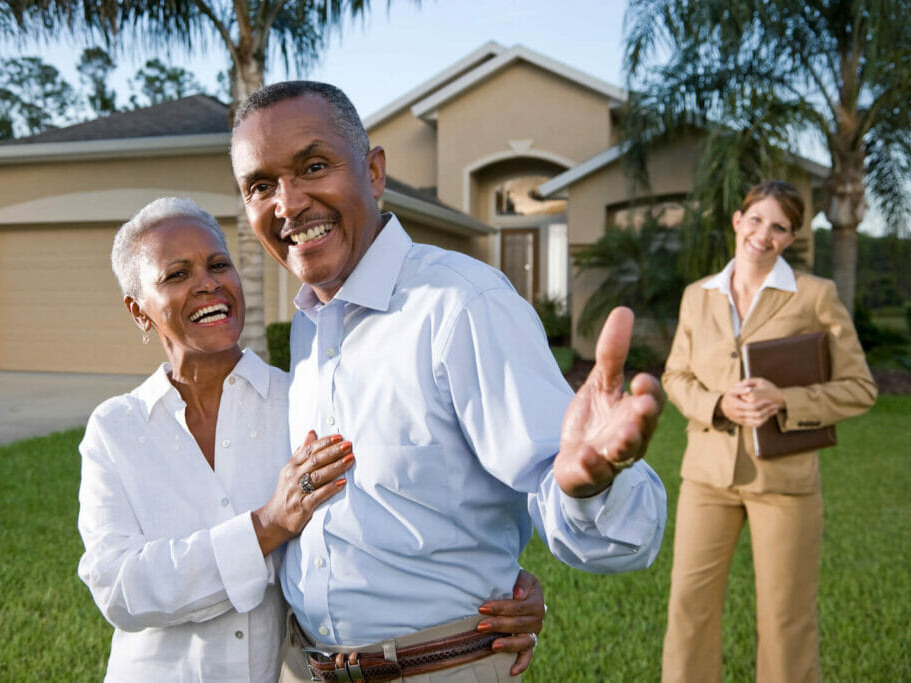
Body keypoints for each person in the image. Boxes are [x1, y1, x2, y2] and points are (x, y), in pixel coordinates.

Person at [229, 80, 669, 682]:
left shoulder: (462, 306)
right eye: (261, 185)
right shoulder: (309, 327)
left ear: (375, 172)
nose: (288, 202)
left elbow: (614, 529)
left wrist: (588, 486)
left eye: (313, 166)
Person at [76, 197, 547, 682]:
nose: (208, 282)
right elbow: (118, 587)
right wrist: (267, 526)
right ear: (138, 310)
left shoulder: (299, 401)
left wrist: (502, 586)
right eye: (177, 274)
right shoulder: (115, 430)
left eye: (219, 264)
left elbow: (380, 517)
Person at [659, 181, 877, 682]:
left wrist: (787, 400)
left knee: (785, 618)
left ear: (791, 238)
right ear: (738, 221)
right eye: (756, 220)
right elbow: (676, 376)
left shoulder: (815, 295)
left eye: (779, 227)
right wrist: (717, 403)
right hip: (707, 478)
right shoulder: (698, 296)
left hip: (785, 484)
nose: (764, 234)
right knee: (689, 607)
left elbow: (859, 387)